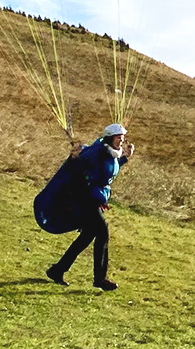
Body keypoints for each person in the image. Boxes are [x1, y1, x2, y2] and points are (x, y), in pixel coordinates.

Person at [35, 122, 133, 290]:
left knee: (87, 235)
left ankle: (57, 270)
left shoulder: (111, 153)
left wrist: (125, 158)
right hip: (85, 198)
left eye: (123, 137)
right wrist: (73, 157)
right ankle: (100, 278)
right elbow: (77, 165)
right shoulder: (97, 152)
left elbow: (108, 171)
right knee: (102, 232)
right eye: (119, 137)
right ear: (110, 138)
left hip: (94, 198)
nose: (122, 140)